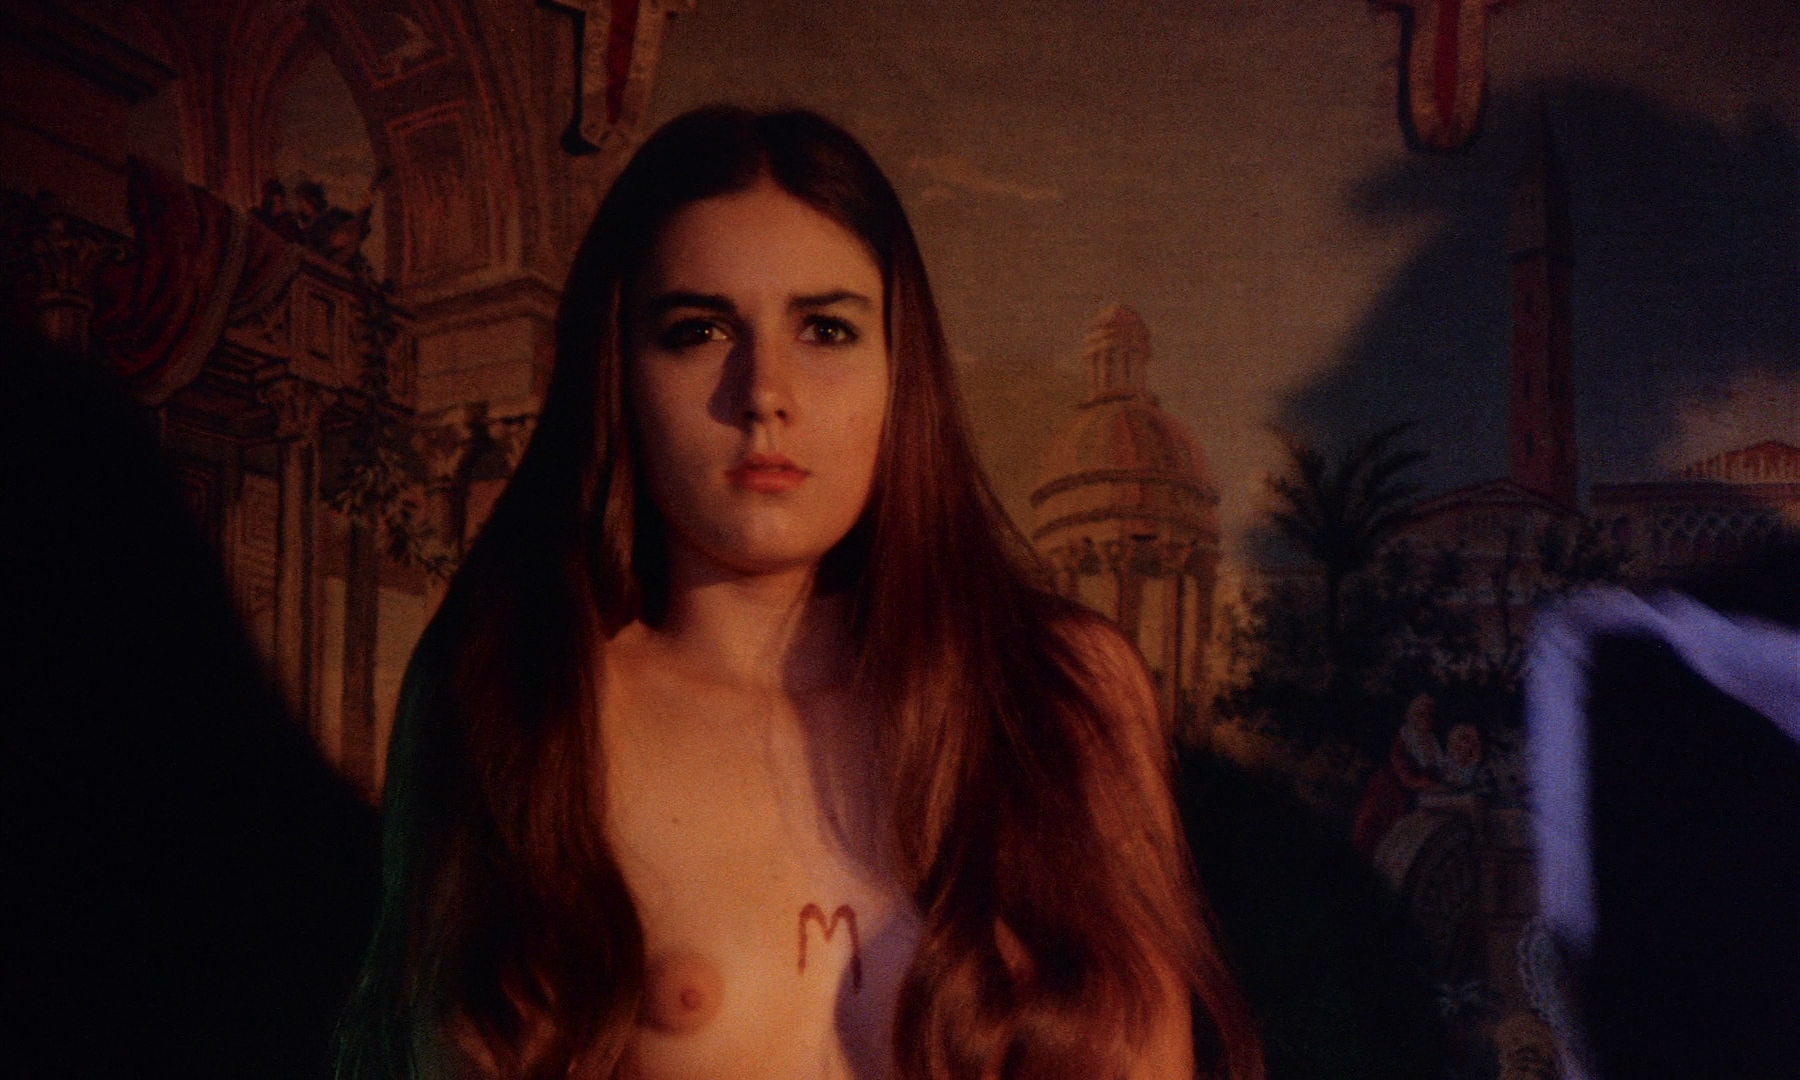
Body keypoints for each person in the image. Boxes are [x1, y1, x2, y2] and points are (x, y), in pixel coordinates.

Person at [335, 106, 1262, 1080]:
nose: (764, 391)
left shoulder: (1064, 694)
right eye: (698, 330)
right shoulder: (520, 699)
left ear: (899, 370)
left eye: (826, 329)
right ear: (619, 369)